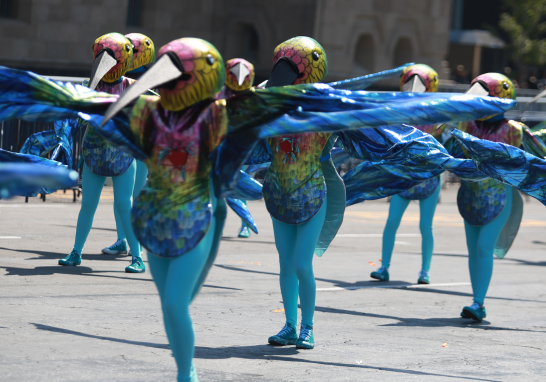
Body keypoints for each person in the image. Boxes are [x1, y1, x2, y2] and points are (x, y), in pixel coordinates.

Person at [371, 64, 444, 284]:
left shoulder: (438, 113)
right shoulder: (399, 112)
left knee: (425, 226)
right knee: (392, 221)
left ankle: (425, 271)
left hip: (428, 177)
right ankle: (384, 267)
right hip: (402, 175)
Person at [101, 33, 155, 256]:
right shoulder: (120, 75)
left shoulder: (148, 79)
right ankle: (123, 239)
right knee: (125, 198)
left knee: (132, 197)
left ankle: (135, 242)